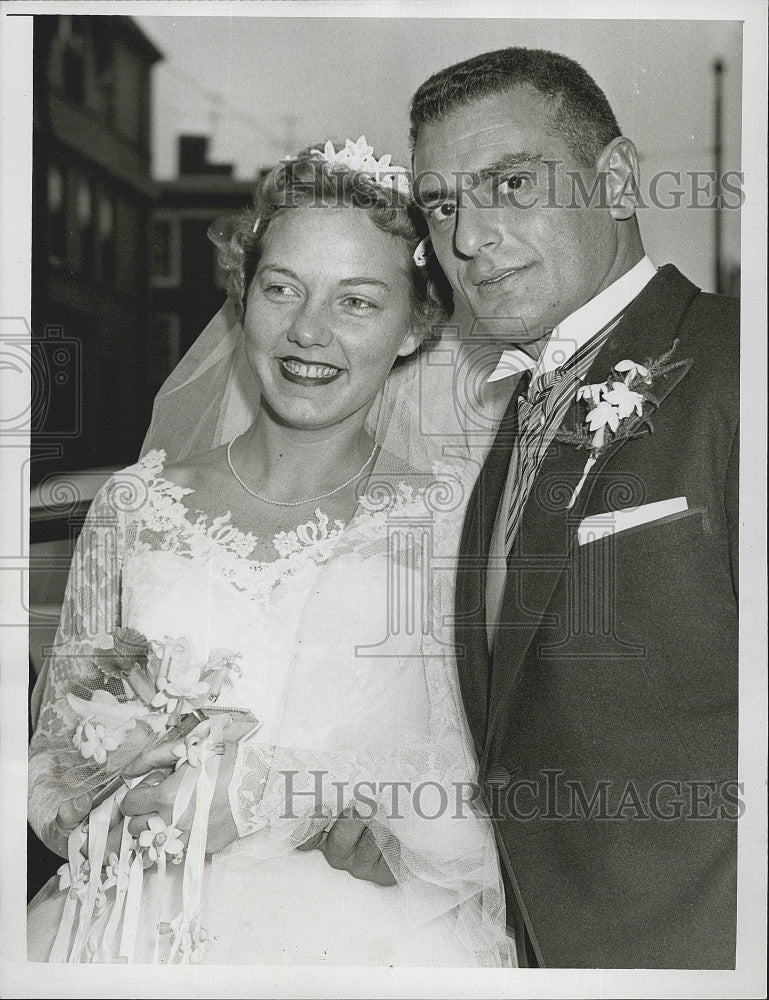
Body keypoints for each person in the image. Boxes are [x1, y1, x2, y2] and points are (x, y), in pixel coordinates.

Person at [27, 139, 513, 966]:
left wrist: (271, 799)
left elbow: (484, 774)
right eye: (281, 288)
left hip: (366, 937)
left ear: (415, 325)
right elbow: (50, 766)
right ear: (242, 296)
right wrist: (96, 801)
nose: (307, 331)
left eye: (357, 301)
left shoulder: (450, 521)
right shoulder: (136, 506)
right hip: (123, 927)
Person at [321, 47, 739, 969]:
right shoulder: (512, 414)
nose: (468, 239)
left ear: (619, 181)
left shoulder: (734, 369)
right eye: (441, 204)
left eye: (510, 183)